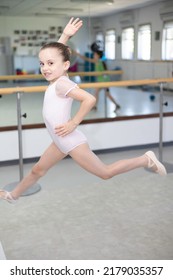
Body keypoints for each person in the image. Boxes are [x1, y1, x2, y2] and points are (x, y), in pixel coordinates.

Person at [0, 19, 167, 204]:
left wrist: (73, 123)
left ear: (65, 65)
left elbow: (90, 99)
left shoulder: (62, 83)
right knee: (37, 170)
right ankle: (13, 195)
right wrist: (65, 36)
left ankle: (146, 159)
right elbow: (57, 56)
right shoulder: (57, 78)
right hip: (59, 140)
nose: (45, 68)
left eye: (49, 64)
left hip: (70, 141)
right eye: (42, 64)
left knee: (105, 172)